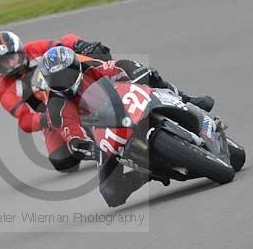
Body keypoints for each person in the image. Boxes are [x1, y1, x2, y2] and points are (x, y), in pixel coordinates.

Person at [40, 46, 214, 207]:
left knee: (151, 75)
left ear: (76, 67)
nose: (63, 82)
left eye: (66, 75)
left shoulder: (90, 68)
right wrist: (92, 150)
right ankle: (146, 174)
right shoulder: (56, 109)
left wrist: (138, 72)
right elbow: (74, 140)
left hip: (124, 105)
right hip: (102, 134)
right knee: (111, 193)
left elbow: (120, 66)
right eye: (56, 80)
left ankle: (187, 99)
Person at [0, 31, 112, 172]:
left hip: (74, 89)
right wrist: (45, 119)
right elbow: (25, 119)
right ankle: (84, 138)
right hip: (51, 112)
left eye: (12, 57)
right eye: (5, 62)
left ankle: (116, 93)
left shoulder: (34, 49)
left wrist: (80, 44)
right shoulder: (2, 87)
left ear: (20, 50)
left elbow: (64, 44)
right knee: (63, 162)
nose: (11, 64)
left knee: (96, 56)